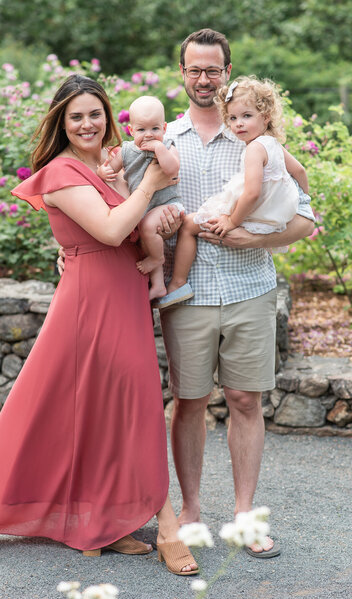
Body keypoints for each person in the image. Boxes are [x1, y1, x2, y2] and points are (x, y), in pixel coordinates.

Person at [0, 74, 198, 576]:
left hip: (125, 293)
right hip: (92, 301)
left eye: (95, 114)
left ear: (109, 117)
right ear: (61, 123)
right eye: (76, 116)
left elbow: (129, 226)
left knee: (106, 408)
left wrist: (141, 197)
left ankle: (99, 524)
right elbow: (110, 231)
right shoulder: (61, 172)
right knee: (135, 402)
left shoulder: (113, 162)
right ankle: (168, 526)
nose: (87, 124)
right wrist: (151, 184)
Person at [158, 29, 315, 558]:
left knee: (246, 399)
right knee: (190, 402)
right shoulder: (167, 140)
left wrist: (258, 236)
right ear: (182, 73)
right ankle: (192, 509)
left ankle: (245, 515)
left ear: (227, 72)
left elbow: (306, 216)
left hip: (249, 284)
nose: (204, 79)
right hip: (190, 294)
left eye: (213, 70)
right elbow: (126, 206)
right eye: (194, 70)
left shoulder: (257, 138)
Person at [160, 75, 308, 305]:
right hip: (272, 215)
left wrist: (231, 221)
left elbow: (251, 193)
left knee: (188, 225)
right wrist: (301, 201)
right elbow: (300, 172)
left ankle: (178, 283)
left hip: (249, 213)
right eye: (232, 118)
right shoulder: (273, 144)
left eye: (246, 116)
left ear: (265, 117)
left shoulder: (253, 149)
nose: (238, 123)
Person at [97, 95, 191, 303]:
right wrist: (103, 173)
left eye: (155, 129)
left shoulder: (167, 145)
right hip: (144, 208)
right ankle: (158, 285)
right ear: (131, 131)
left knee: (147, 227)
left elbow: (172, 169)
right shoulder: (127, 151)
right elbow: (110, 170)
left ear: (164, 128)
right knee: (143, 233)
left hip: (168, 205)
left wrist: (160, 149)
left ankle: (158, 258)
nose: (149, 135)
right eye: (141, 130)